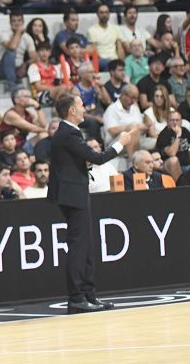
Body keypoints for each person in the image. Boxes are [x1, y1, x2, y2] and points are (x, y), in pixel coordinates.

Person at [48, 94, 138, 314]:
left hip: (76, 193)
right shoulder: (67, 133)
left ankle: (89, 295)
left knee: (86, 246)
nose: (83, 108)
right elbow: (97, 159)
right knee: (79, 248)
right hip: (72, 195)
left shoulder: (69, 133)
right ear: (71, 111)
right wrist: (120, 144)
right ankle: (77, 297)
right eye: (80, 105)